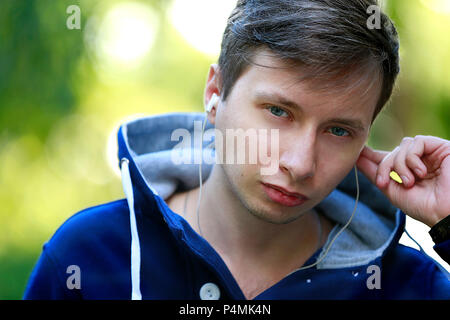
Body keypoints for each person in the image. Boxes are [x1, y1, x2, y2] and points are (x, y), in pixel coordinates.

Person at [24, 0, 450, 300]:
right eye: (279, 111)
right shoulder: (87, 256)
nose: (299, 164)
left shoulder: (412, 287)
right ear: (216, 91)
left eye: (338, 130)